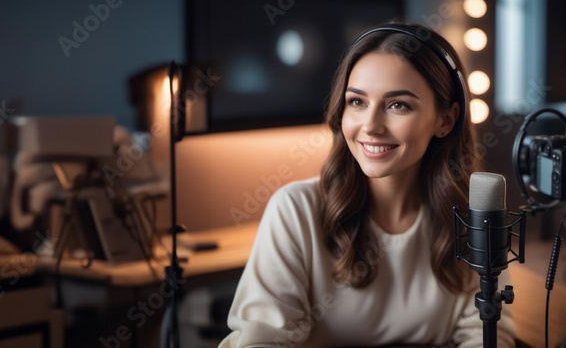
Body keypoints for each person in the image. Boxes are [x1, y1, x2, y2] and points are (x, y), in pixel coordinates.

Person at [219, 24, 516, 347]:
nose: (371, 126)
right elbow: (259, 341)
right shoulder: (295, 210)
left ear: (445, 120)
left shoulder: (473, 222)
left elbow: (486, 337)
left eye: (397, 105)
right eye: (357, 102)